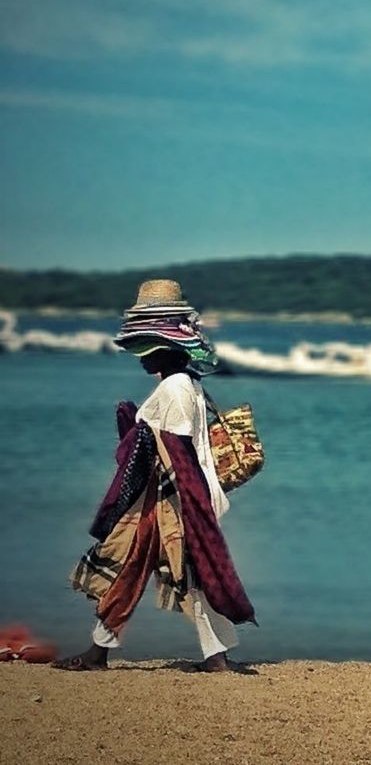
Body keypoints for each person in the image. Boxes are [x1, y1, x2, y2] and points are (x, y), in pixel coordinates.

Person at [54, 279, 254, 672]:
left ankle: (104, 653)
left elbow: (178, 453)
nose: (140, 358)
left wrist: (191, 513)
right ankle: (211, 658)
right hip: (166, 499)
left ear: (163, 347)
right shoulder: (183, 384)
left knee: (152, 569)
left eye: (144, 348)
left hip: (174, 501)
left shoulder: (177, 389)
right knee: (178, 574)